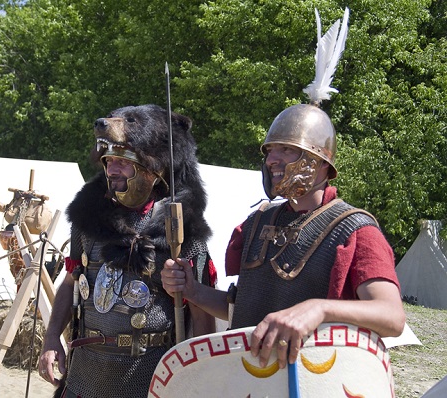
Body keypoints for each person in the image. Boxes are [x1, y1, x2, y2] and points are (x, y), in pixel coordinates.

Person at [161, 7, 405, 372]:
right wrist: (193, 291)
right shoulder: (259, 223)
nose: (272, 159)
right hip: (253, 381)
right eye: (270, 151)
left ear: (321, 162)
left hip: (314, 380)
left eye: (286, 150)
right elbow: (242, 308)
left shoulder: (356, 229)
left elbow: (391, 316)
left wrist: (318, 308)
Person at [39, 104, 216, 398]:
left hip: (148, 376)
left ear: (150, 171)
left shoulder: (181, 233)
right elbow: (71, 283)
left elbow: (201, 314)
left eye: (123, 162)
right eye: (109, 161)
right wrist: (51, 338)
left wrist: (200, 376)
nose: (113, 169)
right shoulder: (88, 224)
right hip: (85, 375)